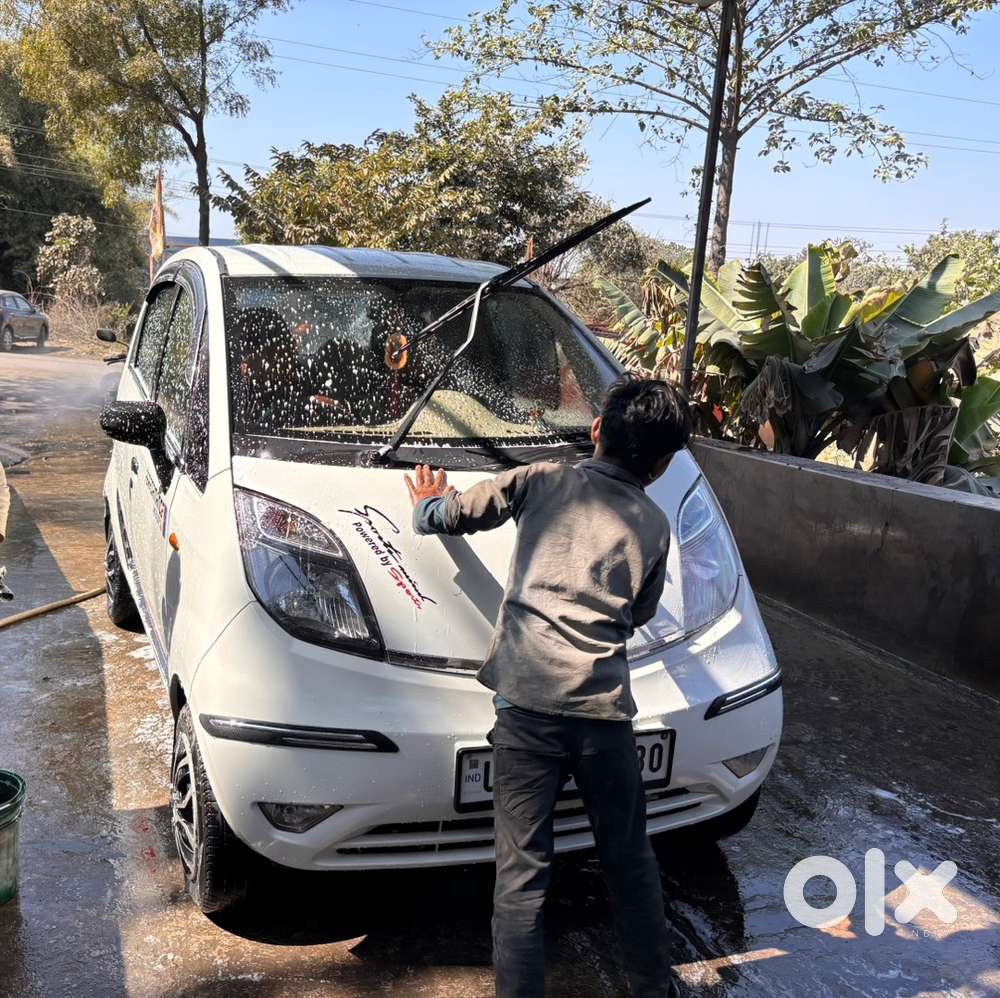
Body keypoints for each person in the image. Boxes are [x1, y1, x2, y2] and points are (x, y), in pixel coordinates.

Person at [404, 372, 691, 998]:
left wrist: (427, 503)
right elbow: (639, 613)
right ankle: (652, 987)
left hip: (526, 713)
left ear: (595, 433)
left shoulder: (541, 480)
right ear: (663, 465)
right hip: (602, 716)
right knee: (630, 861)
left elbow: (454, 516)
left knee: (521, 877)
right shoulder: (654, 524)